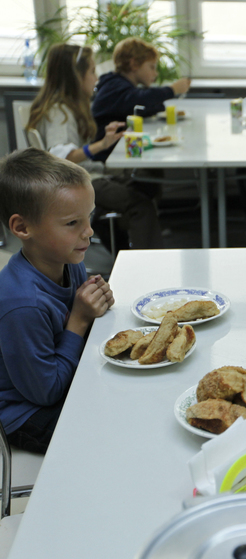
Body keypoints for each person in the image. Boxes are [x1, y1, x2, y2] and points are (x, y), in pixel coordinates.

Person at [0, 149, 115, 453]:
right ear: (23, 228)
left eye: (88, 218)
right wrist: (79, 319)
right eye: (72, 223)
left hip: (61, 381)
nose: (89, 232)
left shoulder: (69, 260)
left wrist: (97, 302)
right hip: (24, 414)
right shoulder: (23, 305)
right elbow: (46, 392)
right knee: (108, 434)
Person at [26, 43, 164, 249]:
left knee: (146, 179)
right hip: (74, 184)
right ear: (75, 76)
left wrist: (105, 140)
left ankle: (122, 244)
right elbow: (60, 157)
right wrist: (101, 145)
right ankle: (145, 263)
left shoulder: (69, 106)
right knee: (140, 204)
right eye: (92, 71)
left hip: (85, 177)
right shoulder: (58, 112)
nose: (96, 78)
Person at [91, 37, 191, 161]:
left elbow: (139, 106)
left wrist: (156, 106)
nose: (155, 73)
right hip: (108, 155)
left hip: (120, 150)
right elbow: (140, 99)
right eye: (151, 67)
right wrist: (172, 90)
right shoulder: (114, 86)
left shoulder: (120, 85)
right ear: (134, 64)